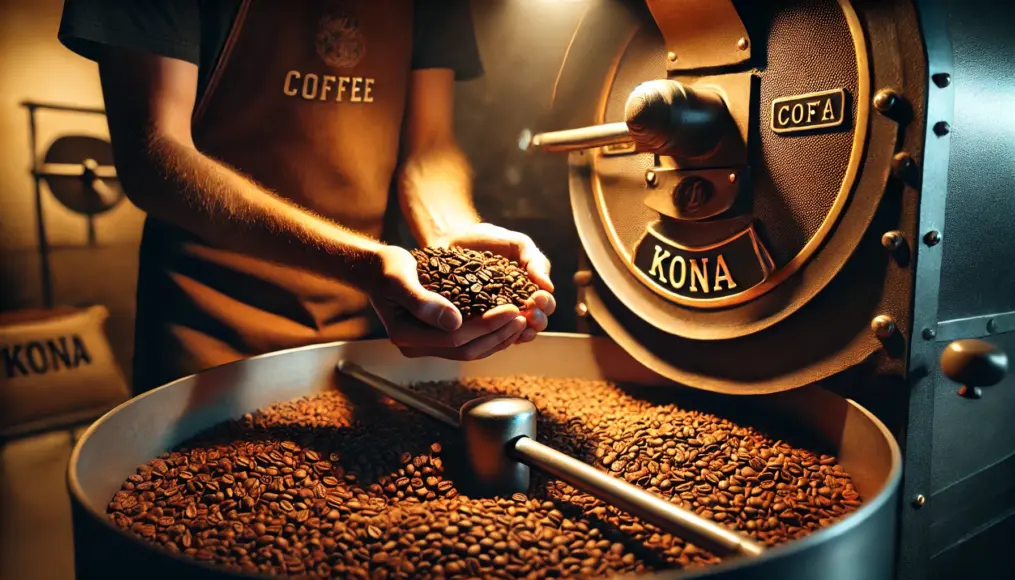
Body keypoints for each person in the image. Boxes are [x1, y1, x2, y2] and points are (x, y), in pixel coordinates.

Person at [58, 0, 556, 394]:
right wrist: (359, 263)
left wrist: (452, 239)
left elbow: (428, 147)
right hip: (208, 343)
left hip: (364, 335)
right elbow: (155, 154)